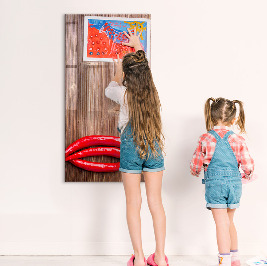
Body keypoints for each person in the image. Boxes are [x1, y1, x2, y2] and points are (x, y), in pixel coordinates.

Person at [105, 28, 168, 266]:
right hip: (153, 147)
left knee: (134, 203)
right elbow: (145, 71)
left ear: (127, 76)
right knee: (156, 202)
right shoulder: (153, 94)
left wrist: (118, 69)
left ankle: (140, 258)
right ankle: (160, 257)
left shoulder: (122, 94)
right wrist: (139, 47)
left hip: (131, 148)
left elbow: (108, 88)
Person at [190, 98, 255, 266]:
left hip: (215, 186)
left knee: (221, 224)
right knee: (229, 222)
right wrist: (247, 176)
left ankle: (224, 261)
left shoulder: (205, 138)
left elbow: (195, 164)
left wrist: (196, 171)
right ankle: (235, 260)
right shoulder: (238, 139)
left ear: (211, 117)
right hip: (234, 185)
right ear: (233, 120)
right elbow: (248, 165)